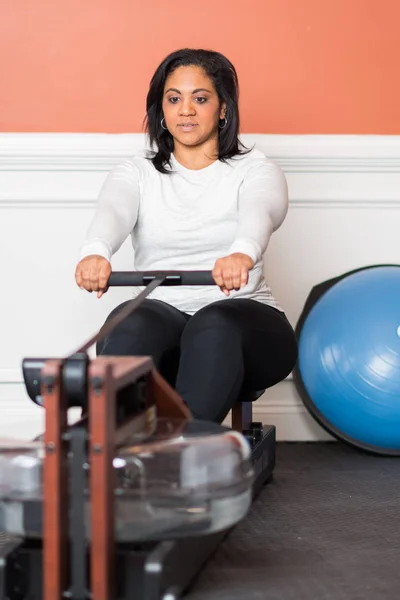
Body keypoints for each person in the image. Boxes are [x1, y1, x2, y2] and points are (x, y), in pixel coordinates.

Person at [75, 48, 298, 424]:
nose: (186, 110)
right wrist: (95, 253)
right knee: (130, 321)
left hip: (248, 330)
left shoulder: (256, 170)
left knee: (213, 323)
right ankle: (112, 447)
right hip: (169, 327)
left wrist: (242, 254)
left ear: (223, 108)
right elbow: (113, 210)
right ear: (161, 109)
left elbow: (261, 211)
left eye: (200, 98)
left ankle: (187, 450)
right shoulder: (136, 172)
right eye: (174, 99)